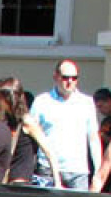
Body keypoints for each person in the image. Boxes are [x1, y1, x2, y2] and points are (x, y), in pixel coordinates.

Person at [29, 59, 102, 189]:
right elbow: (30, 134)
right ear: (55, 77)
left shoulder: (87, 102)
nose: (70, 82)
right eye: (65, 77)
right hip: (47, 169)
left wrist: (98, 171)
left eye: (74, 78)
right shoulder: (41, 102)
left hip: (78, 171)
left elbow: (93, 138)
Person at [0, 76, 49, 184]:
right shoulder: (4, 121)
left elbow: (48, 150)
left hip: (20, 176)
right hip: (6, 176)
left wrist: (57, 182)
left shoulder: (27, 121)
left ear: (7, 98)